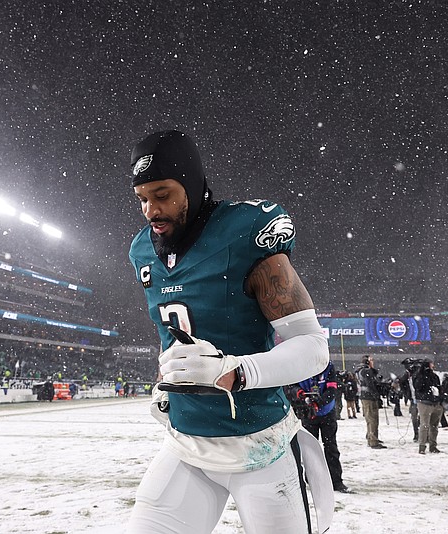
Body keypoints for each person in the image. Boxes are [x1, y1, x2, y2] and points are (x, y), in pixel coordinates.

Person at [127, 130, 333, 533]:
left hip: (259, 443)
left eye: (163, 194)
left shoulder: (243, 233)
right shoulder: (142, 251)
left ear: (191, 183)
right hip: (187, 441)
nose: (152, 209)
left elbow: (312, 348)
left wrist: (236, 371)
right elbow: (177, 335)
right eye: (142, 199)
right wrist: (167, 376)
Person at [286, 361, 352, 493]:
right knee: (309, 450)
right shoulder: (298, 366)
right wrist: (299, 394)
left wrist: (319, 401)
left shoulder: (328, 366)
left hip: (327, 412)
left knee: (331, 447)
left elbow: (332, 389)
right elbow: (290, 387)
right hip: (308, 413)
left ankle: (336, 481)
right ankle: (311, 480)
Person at [355, 355, 386, 448]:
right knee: (372, 419)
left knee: (370, 419)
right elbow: (370, 385)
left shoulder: (360, 370)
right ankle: (373, 440)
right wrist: (377, 394)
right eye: (371, 360)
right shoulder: (366, 371)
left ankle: (372, 437)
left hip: (366, 397)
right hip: (369, 397)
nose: (373, 362)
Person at [413, 360, 444, 454]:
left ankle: (431, 445)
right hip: (426, 402)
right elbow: (418, 387)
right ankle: (424, 446)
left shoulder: (433, 376)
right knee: (426, 425)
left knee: (432, 425)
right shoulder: (421, 376)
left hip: (433, 402)